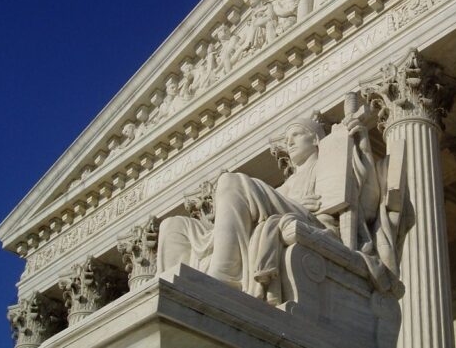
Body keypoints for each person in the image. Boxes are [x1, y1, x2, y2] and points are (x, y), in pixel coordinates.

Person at [157, 115, 389, 303]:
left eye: (296, 135)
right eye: (287, 138)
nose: (289, 143)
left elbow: (366, 207)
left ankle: (225, 275)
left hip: (317, 224)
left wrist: (363, 148)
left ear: (317, 140)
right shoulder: (285, 186)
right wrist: (293, 204)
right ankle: (172, 298)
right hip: (286, 216)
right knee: (174, 225)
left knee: (231, 182)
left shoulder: (328, 168)